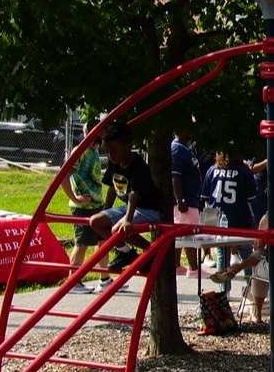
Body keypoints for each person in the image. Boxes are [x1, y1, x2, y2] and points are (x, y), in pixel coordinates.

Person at [87, 122, 171, 281]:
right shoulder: (114, 164)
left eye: (114, 151)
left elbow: (134, 194)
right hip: (130, 207)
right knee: (95, 221)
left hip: (149, 208)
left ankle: (151, 251)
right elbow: (112, 188)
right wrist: (105, 211)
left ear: (128, 146)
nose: (111, 156)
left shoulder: (137, 165)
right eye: (107, 152)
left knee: (118, 229)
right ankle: (126, 253)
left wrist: (128, 220)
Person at [204, 149, 259, 289]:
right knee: (246, 254)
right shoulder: (244, 172)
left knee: (223, 254)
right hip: (240, 218)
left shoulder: (212, 170)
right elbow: (251, 197)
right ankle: (250, 288)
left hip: (218, 219)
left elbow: (206, 198)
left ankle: (224, 292)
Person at [65, 129, 105, 292]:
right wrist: (76, 198)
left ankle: (105, 278)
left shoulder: (94, 151)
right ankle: (73, 281)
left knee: (103, 241)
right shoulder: (80, 151)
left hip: (97, 204)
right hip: (83, 207)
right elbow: (64, 176)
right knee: (82, 243)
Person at [171, 131, 207, 275]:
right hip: (185, 200)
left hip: (191, 198)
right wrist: (180, 199)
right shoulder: (177, 149)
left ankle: (177, 265)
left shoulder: (185, 148)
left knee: (182, 232)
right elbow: (175, 176)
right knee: (187, 232)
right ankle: (193, 268)